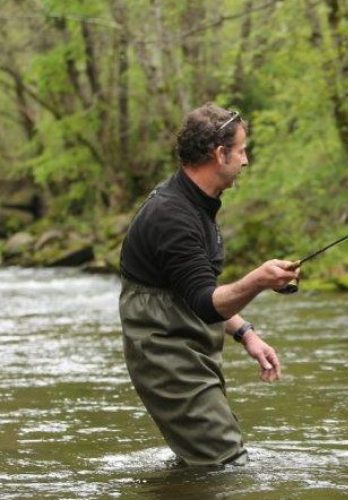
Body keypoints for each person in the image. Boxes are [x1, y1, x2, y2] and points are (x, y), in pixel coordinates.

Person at [118, 103, 299, 466]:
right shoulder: (173, 216)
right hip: (164, 354)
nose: (246, 161)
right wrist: (259, 280)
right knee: (225, 464)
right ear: (220, 154)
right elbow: (204, 302)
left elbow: (193, 289)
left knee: (206, 464)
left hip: (183, 349)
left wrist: (246, 333)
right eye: (242, 150)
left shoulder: (195, 205)